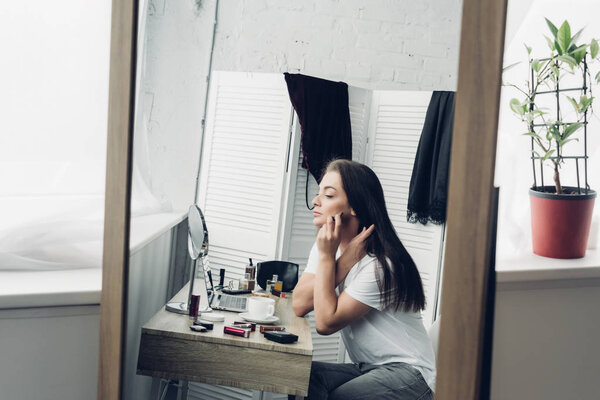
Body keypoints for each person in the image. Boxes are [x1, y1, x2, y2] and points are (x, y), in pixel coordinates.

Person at [292, 159, 435, 400]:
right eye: (319, 193)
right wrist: (342, 262)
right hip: (369, 368)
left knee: (340, 397)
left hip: (412, 376)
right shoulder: (328, 247)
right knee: (300, 376)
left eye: (327, 195)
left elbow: (326, 323)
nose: (315, 201)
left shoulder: (381, 265)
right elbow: (299, 304)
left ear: (354, 207)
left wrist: (329, 260)